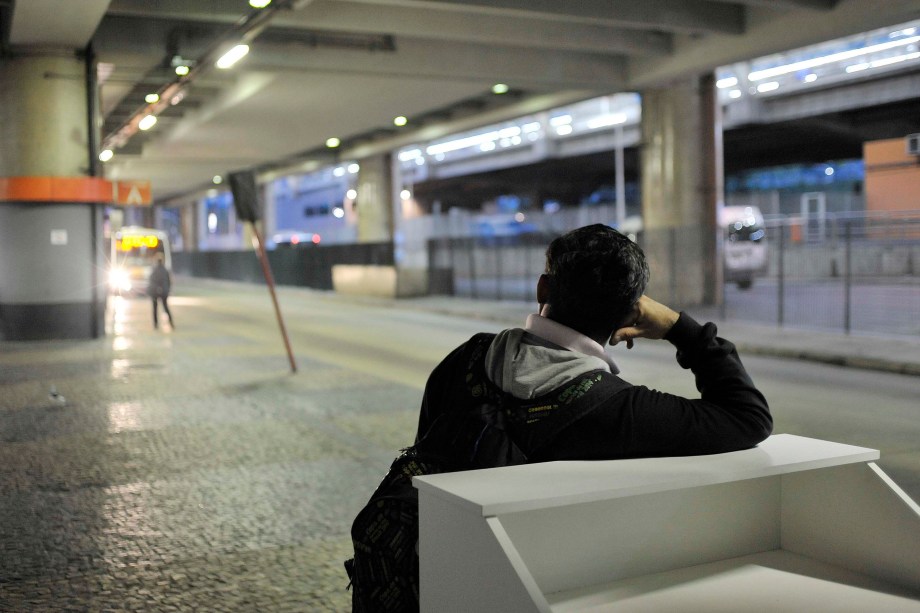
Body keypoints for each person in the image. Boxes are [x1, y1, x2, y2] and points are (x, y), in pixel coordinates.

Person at [417, 223, 771, 462]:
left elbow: (421, 460)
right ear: (632, 314)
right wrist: (679, 328)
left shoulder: (468, 358)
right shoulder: (622, 409)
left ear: (543, 288)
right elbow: (748, 417)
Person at [147, 253, 174, 330]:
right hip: (164, 292)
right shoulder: (165, 270)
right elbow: (169, 282)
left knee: (155, 308)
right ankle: (171, 322)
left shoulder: (153, 270)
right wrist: (167, 290)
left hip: (155, 292)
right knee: (165, 307)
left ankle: (155, 324)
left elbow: (151, 281)